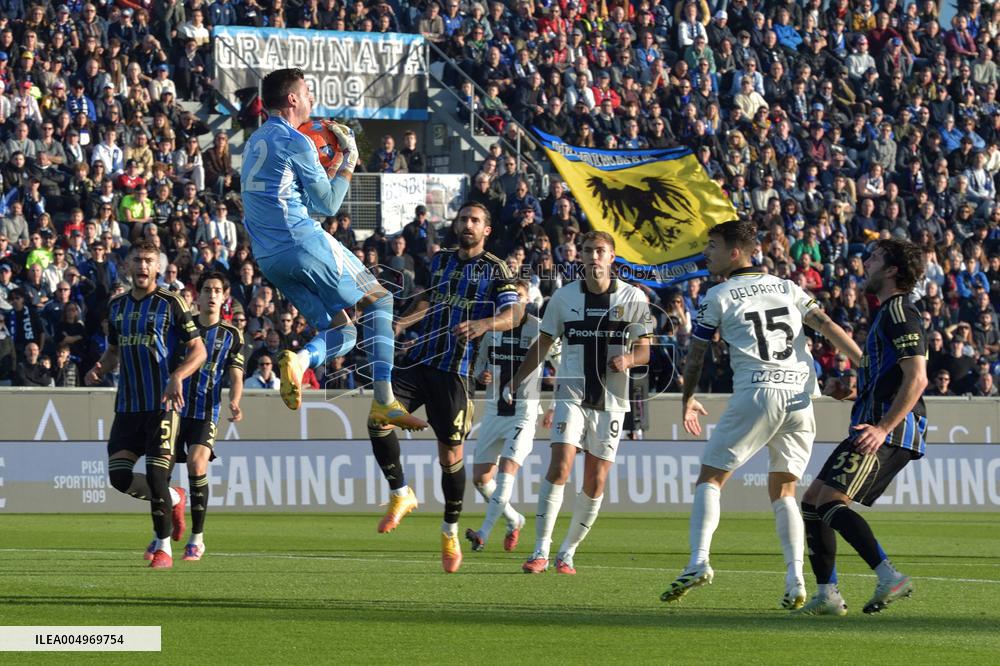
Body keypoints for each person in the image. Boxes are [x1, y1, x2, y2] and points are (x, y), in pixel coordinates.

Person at [662, 220, 861, 609]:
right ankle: (795, 580)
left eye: (713, 245)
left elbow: (697, 354)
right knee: (784, 490)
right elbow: (828, 325)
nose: (707, 252)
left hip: (759, 392)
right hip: (801, 399)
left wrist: (686, 397)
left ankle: (698, 560)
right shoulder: (787, 287)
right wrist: (864, 364)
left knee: (711, 478)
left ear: (735, 252)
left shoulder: (718, 294)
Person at [239, 68, 423, 431]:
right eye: (307, 92)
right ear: (292, 98)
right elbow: (327, 204)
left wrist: (331, 165)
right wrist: (350, 156)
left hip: (269, 258)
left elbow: (296, 198)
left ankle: (301, 361)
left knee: (346, 332)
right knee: (381, 299)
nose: (312, 99)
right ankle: (384, 400)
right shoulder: (297, 141)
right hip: (301, 241)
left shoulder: (253, 142)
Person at [369, 201, 523, 573]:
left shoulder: (497, 269)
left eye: (475, 220)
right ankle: (401, 493)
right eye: (463, 219)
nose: (467, 224)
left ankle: (449, 531)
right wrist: (404, 323)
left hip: (456, 373)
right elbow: (428, 299)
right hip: (421, 361)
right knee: (378, 417)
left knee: (450, 457)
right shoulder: (440, 261)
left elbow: (515, 313)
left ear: (486, 230)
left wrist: (486, 324)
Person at [505, 231, 653, 575]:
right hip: (571, 392)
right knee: (560, 466)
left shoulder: (633, 298)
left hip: (612, 399)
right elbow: (543, 344)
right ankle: (540, 549)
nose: (594, 257)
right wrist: (516, 379)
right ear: (581, 257)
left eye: (600, 251)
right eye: (588, 251)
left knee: (596, 480)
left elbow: (645, 349)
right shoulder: (564, 297)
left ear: (612, 256)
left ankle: (567, 552)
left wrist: (629, 361)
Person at [797, 238, 928, 616]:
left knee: (829, 502)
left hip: (891, 428)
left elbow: (917, 378)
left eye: (873, 258)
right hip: (873, 422)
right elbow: (889, 377)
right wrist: (852, 391)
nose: (865, 263)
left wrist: (885, 427)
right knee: (812, 502)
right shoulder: (886, 313)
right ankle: (827, 595)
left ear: (891, 270)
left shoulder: (900, 312)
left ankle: (889, 576)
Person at [84, 241, 207, 569]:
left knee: (155, 477)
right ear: (127, 266)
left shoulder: (172, 303)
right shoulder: (118, 307)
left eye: (149, 261)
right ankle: (176, 498)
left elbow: (198, 350)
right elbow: (113, 352)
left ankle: (163, 548)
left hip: (163, 405)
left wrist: (178, 375)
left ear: (157, 268)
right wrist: (99, 367)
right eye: (137, 260)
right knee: (119, 477)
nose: (142, 266)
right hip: (127, 406)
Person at [465, 280, 559, 553]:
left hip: (524, 411)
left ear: (528, 298)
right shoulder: (492, 330)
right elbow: (479, 367)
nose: (514, 301)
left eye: (519, 296)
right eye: (510, 297)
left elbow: (564, 367)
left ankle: (483, 533)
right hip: (494, 410)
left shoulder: (541, 330)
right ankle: (514, 520)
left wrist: (554, 406)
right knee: (481, 479)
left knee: (506, 472)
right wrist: (480, 376)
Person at [169, 271, 248, 562]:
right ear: (198, 296)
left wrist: (236, 401)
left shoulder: (231, 335)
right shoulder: (183, 329)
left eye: (217, 290)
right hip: (174, 409)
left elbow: (236, 374)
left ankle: (197, 538)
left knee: (196, 463)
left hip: (205, 412)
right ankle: (163, 531)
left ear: (224, 297)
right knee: (159, 473)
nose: (212, 295)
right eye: (207, 289)